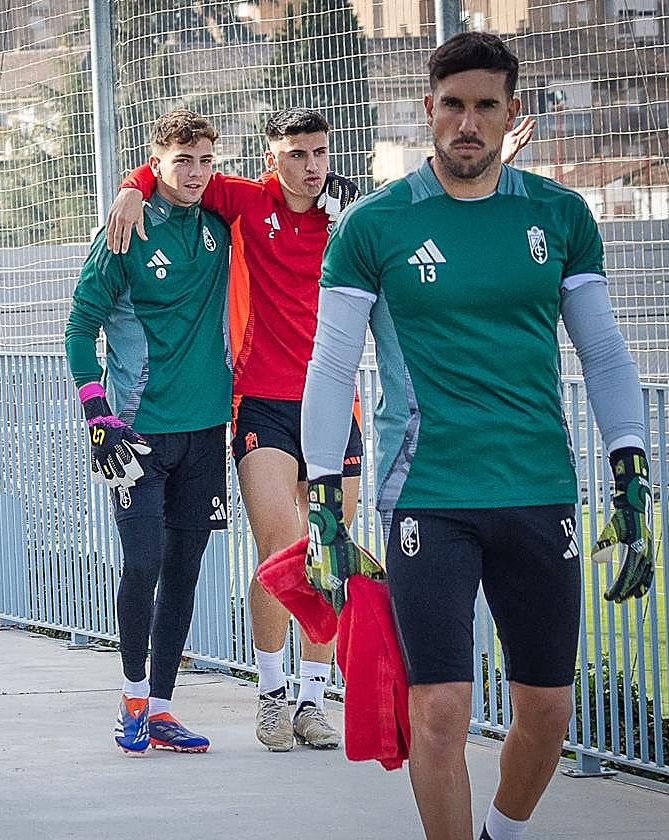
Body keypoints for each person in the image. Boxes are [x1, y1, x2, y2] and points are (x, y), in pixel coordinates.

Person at [300, 32, 654, 840]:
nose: (468, 122)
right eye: (453, 104)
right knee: (440, 710)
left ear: (511, 113)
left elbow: (603, 351)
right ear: (428, 109)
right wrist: (326, 497)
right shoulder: (373, 225)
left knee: (547, 710)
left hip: (538, 487)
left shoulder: (558, 215)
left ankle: (504, 831)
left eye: (485, 106)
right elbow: (330, 366)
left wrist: (630, 471)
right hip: (426, 493)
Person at [106, 108, 535, 753]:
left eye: (321, 153)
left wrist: (495, 161)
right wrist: (130, 189)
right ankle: (271, 696)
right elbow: (175, 172)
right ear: (272, 157)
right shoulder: (246, 203)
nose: (312, 166)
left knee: (330, 552)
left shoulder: (351, 218)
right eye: (298, 153)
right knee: (283, 548)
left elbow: (425, 199)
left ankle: (312, 697)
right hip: (263, 404)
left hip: (338, 410)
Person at [65, 109, 231, 755]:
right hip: (132, 431)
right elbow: (81, 326)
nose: (195, 173)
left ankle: (161, 709)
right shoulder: (125, 229)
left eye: (205, 161)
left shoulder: (221, 225)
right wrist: (97, 414)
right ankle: (131, 697)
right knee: (143, 561)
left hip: (206, 429)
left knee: (185, 568)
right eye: (182, 160)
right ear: (155, 161)